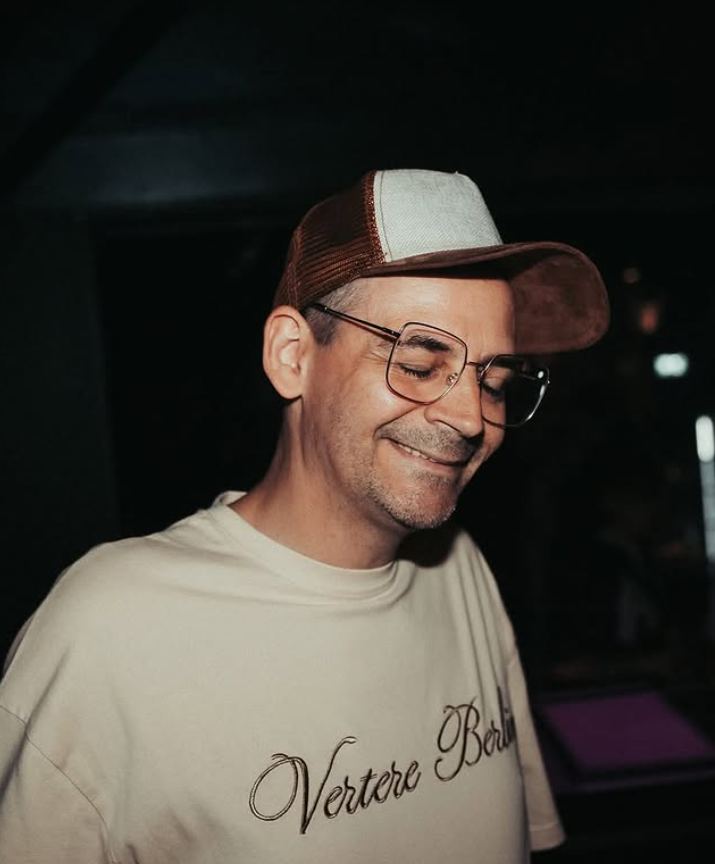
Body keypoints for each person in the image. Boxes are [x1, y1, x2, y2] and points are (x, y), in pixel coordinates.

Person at [0, 168, 609, 862]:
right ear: (293, 356)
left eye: (494, 381)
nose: (471, 417)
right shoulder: (108, 628)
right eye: (419, 363)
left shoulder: (460, 568)